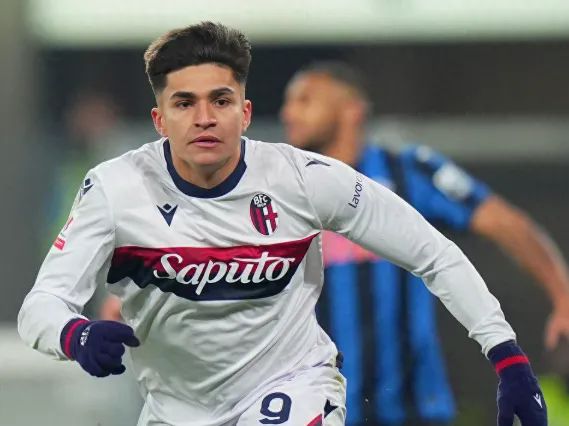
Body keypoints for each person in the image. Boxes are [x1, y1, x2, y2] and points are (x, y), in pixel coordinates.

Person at [18, 22, 547, 426]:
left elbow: (433, 254)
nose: (205, 117)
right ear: (160, 121)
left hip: (294, 387)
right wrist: (75, 335)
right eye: (184, 103)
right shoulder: (115, 189)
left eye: (220, 100)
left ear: (245, 113)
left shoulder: (305, 179)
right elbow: (41, 306)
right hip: (175, 409)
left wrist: (507, 356)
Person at [281, 61, 569, 425]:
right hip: (317, 408)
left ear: (352, 110)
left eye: (305, 100)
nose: (289, 113)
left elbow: (506, 223)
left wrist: (563, 295)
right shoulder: (283, 188)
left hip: (414, 409)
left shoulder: (409, 171)